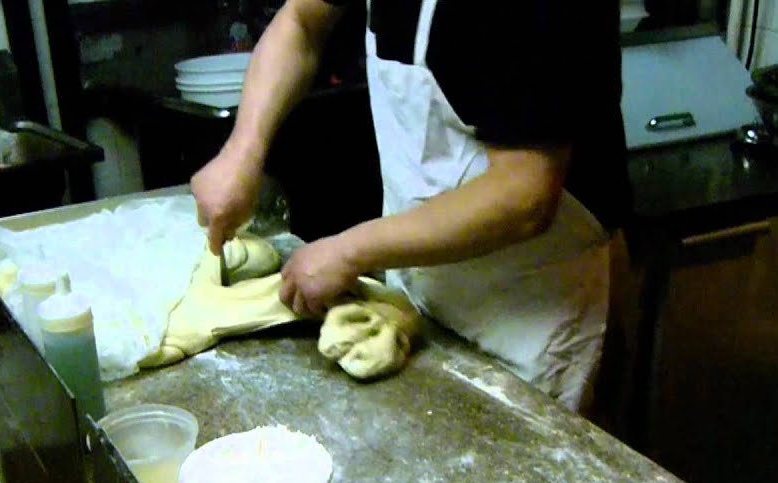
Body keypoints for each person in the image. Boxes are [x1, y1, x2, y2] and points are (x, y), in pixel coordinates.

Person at [191, 0, 630, 414]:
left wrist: (350, 250)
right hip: (422, 284)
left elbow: (525, 193)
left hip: (531, 307)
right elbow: (300, 23)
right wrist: (242, 153)